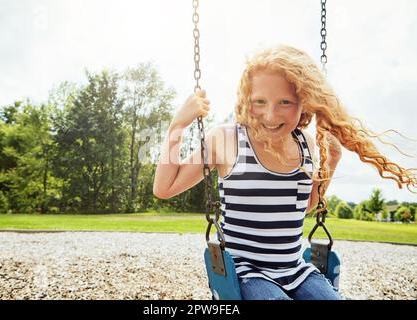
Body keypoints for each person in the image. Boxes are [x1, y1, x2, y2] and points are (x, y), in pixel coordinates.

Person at [152, 44, 416, 300]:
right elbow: (165, 188)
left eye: (285, 102)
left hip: (296, 269)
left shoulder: (305, 144)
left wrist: (331, 162)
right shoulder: (227, 140)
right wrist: (177, 125)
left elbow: (304, 206)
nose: (270, 114)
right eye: (260, 101)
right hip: (247, 272)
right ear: (246, 100)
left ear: (305, 102)